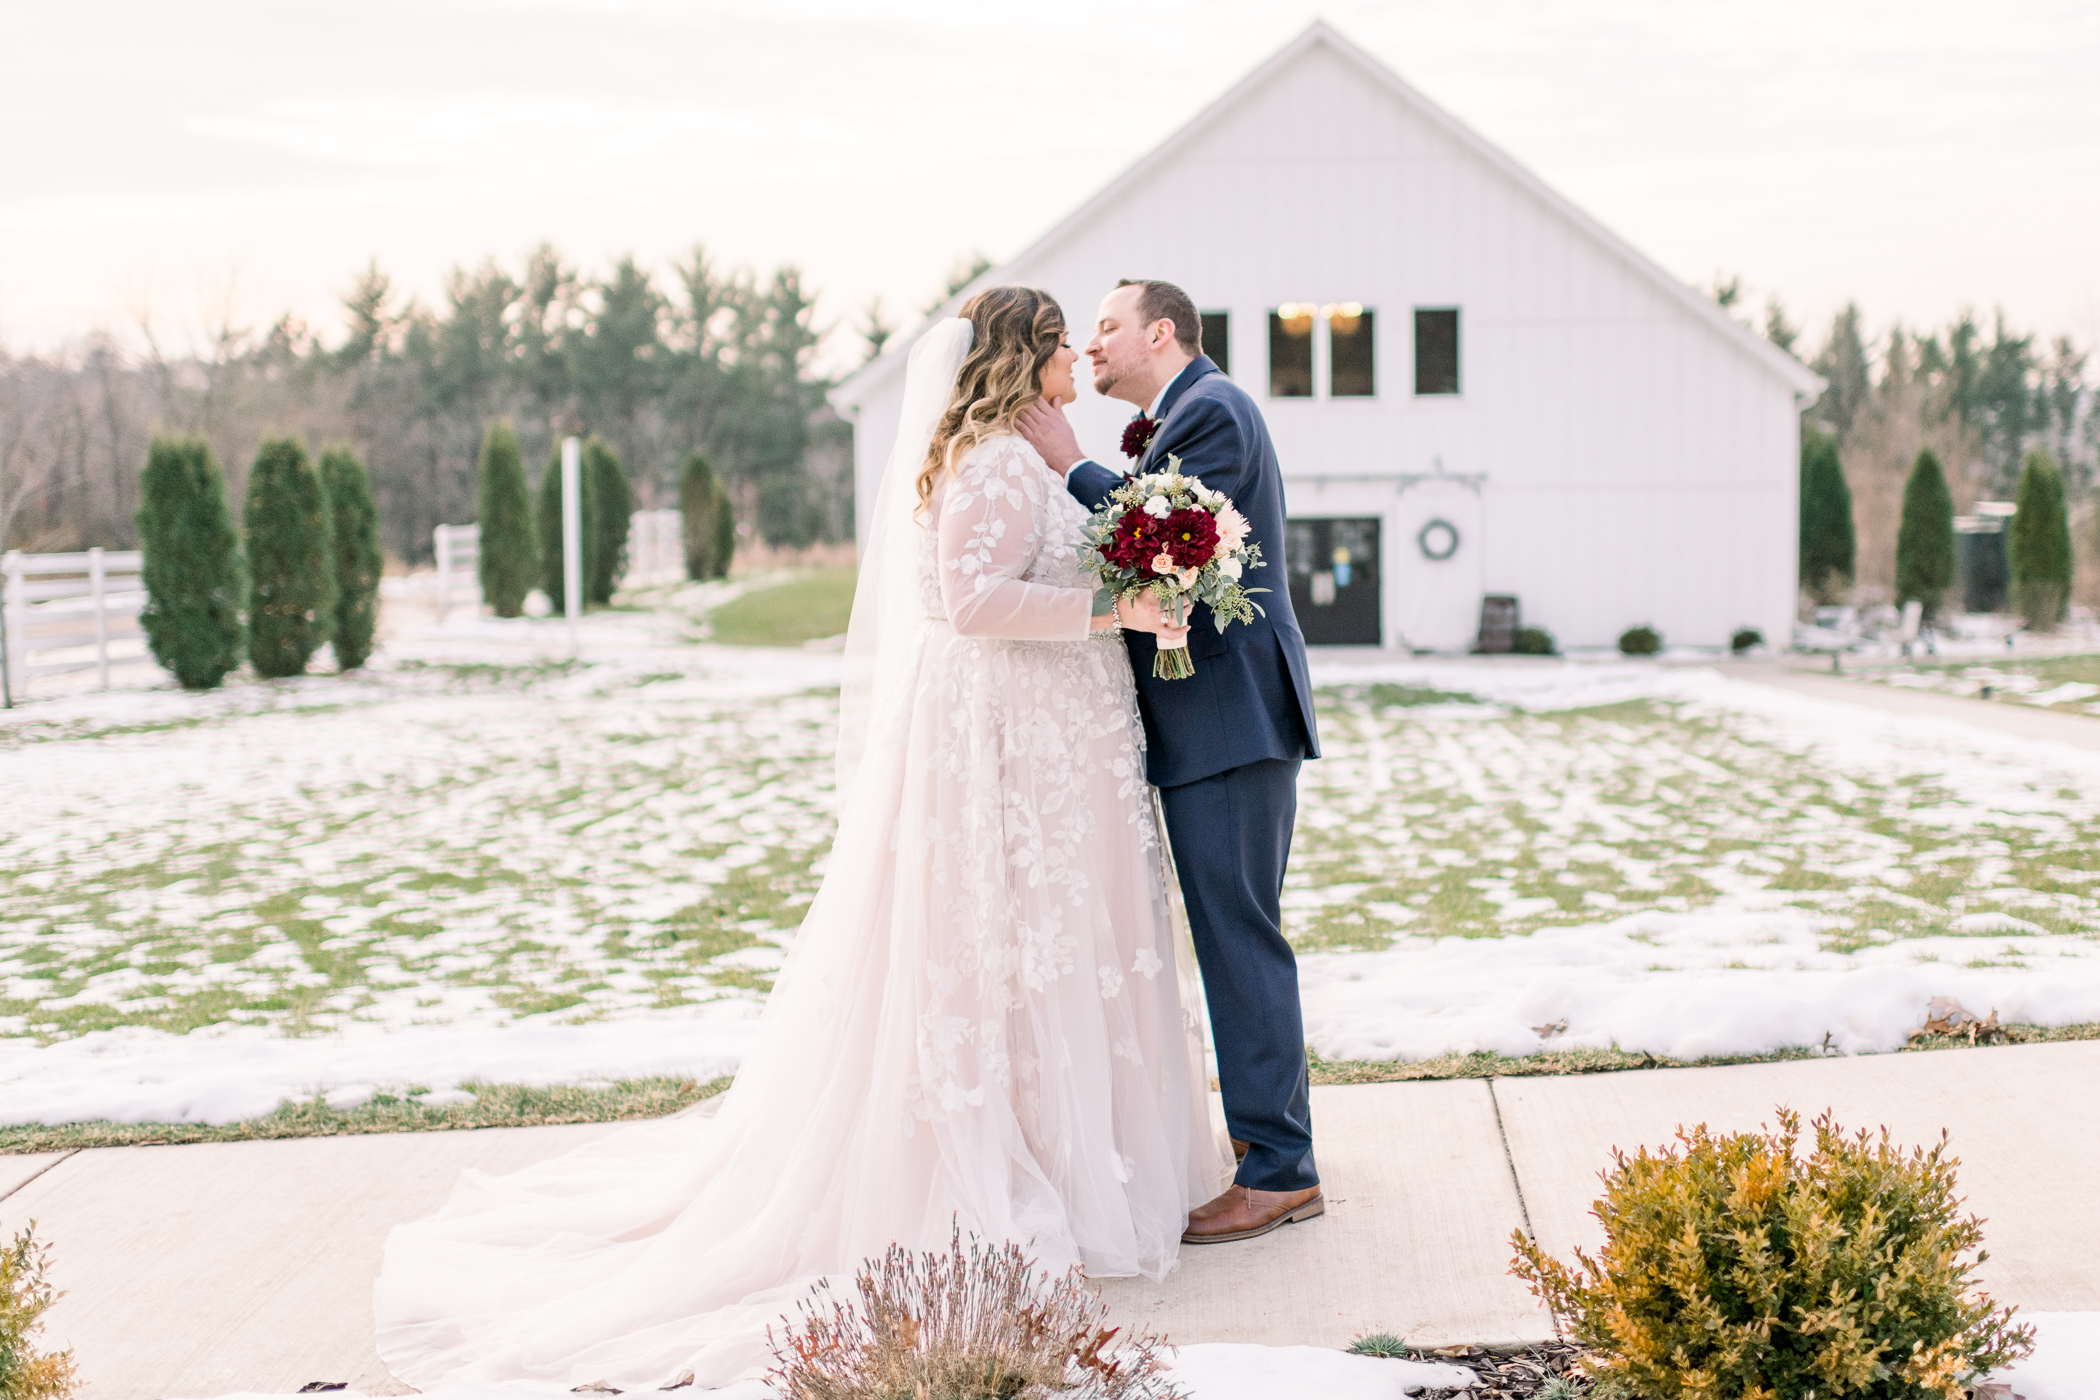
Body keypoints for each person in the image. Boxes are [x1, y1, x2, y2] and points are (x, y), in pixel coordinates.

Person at [373, 286, 1232, 1391]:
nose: (1076, 358)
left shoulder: (1030, 453)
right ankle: (1022, 1167)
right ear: (1024, 359)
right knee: (1008, 955)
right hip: (1008, 749)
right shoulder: (986, 462)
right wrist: (1119, 611)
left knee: (1055, 955)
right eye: (1064, 343)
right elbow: (973, 604)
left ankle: (1084, 1161)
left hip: (1058, 748)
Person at [1016, 278, 1324, 1245]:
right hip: (1210, 728)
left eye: (1105, 328)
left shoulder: (1213, 410)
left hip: (1230, 721)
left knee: (1240, 940)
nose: (1091, 345)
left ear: (1161, 332)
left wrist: (1070, 464)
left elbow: (1171, 543)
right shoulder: (1176, 418)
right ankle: (1269, 1148)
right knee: (1237, 934)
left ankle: (1278, 1170)